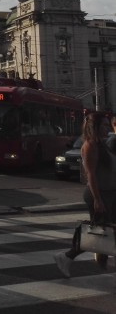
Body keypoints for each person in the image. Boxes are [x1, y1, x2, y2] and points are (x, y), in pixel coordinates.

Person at [54, 111, 115, 277]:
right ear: (94, 127)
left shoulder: (102, 144)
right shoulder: (90, 146)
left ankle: (100, 263)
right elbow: (91, 174)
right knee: (97, 233)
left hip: (109, 194)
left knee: (104, 231)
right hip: (99, 194)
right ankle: (66, 256)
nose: (107, 128)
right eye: (103, 125)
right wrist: (98, 199)